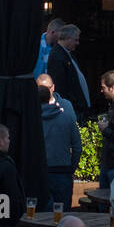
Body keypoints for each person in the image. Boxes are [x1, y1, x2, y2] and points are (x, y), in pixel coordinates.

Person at [40, 83, 81, 211]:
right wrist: (70, 167)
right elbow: (77, 147)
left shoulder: (31, 121)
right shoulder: (67, 118)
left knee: (40, 217)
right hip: (63, 172)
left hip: (40, 173)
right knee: (63, 216)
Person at [47, 24, 90, 118]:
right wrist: (72, 105)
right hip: (72, 109)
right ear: (67, 38)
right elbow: (60, 87)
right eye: (76, 40)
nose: (77, 43)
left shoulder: (67, 54)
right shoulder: (57, 56)